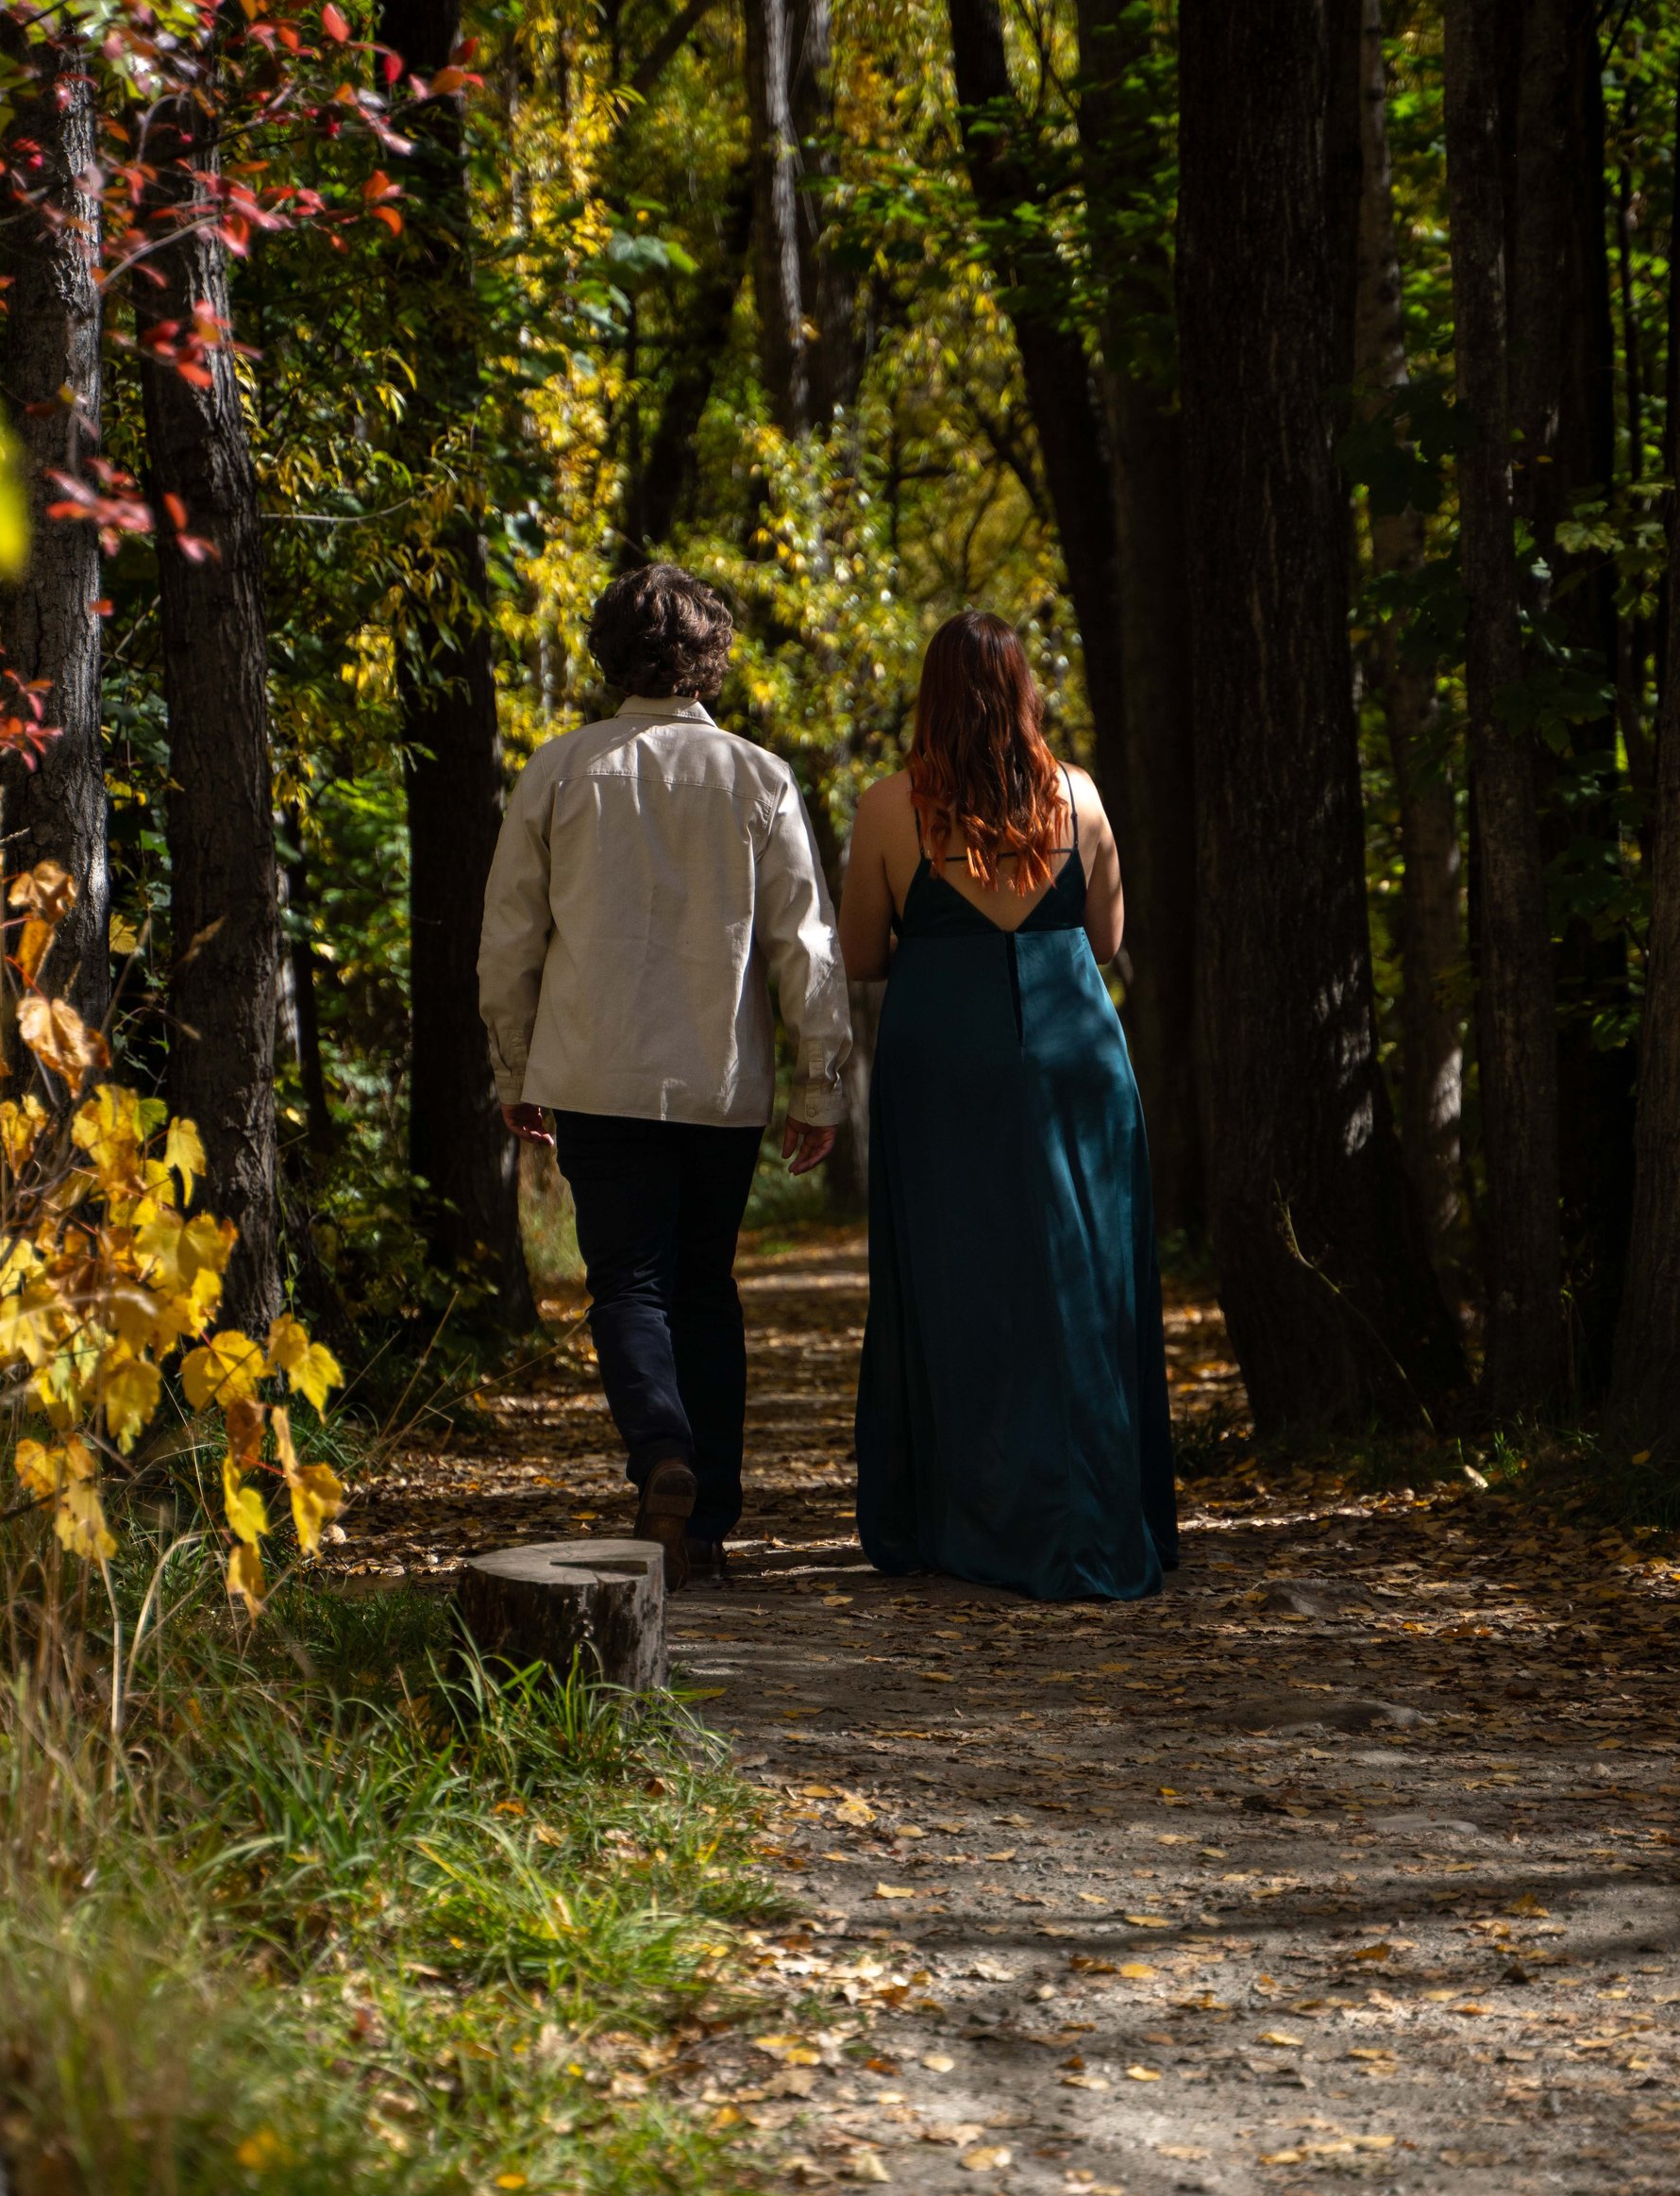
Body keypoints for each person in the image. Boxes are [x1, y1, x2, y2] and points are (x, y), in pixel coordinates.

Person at [479, 562, 849, 1584]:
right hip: (716, 1081)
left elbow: (508, 936)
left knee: (626, 1284)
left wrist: (516, 1063)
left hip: (595, 1071)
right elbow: (803, 943)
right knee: (704, 1288)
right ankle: (710, 1521)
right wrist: (819, 1082)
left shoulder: (559, 771)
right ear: (709, 659)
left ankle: (662, 1455)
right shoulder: (759, 776)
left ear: (610, 655)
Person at [839, 610, 1177, 1602]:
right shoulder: (1079, 798)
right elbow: (1107, 938)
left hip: (942, 1061)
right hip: (1076, 1057)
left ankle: (961, 1516)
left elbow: (861, 955)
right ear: (1023, 691)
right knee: (1084, 1284)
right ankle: (1094, 1512)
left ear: (930, 697)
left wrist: (944, 954)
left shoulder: (888, 809)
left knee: (957, 1285)